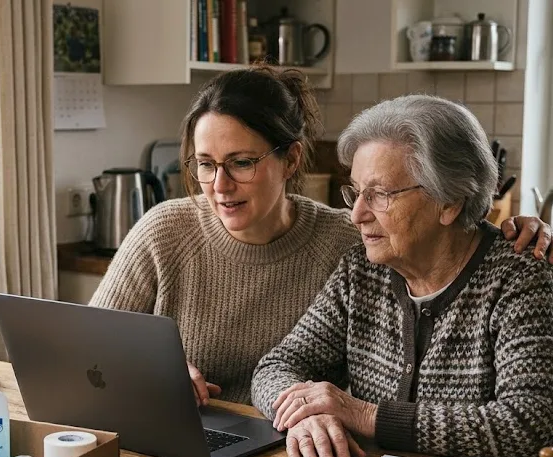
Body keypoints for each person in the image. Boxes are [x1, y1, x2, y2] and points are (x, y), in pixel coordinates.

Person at [90, 65, 553, 407]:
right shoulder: (165, 230)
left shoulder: (353, 246)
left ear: (290, 161)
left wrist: (518, 230)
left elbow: (450, 247)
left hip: (283, 454)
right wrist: (150, 371)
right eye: (205, 164)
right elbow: (86, 350)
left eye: (242, 162)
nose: (218, 185)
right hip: (193, 431)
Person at [251, 95, 553, 457]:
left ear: (449, 201)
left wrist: (363, 414)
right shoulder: (360, 271)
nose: (357, 215)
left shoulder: (518, 279)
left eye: (379, 195)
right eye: (356, 192)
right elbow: (276, 366)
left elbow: (527, 424)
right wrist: (303, 416)